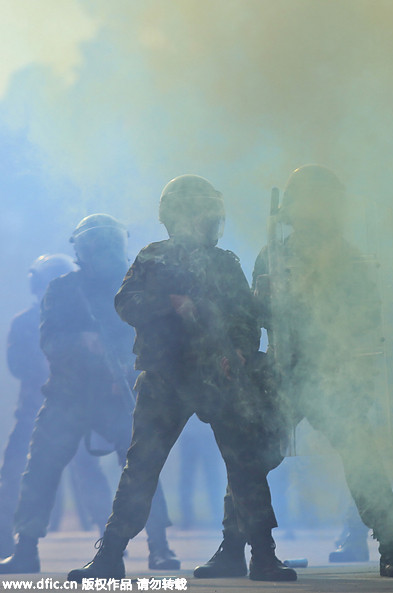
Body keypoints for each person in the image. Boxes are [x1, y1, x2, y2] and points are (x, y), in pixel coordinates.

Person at [67, 175, 294, 582]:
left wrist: (239, 351)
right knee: (141, 467)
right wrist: (169, 303)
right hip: (166, 377)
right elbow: (125, 304)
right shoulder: (153, 258)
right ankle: (110, 554)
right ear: (180, 215)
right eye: (202, 211)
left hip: (220, 376)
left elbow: (246, 314)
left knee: (246, 466)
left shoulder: (225, 262)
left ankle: (263, 554)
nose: (210, 220)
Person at [251, 164, 393, 578]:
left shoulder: (349, 259)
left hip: (332, 372)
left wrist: (357, 377)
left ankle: (390, 542)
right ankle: (239, 543)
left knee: (361, 456)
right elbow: (255, 316)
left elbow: (367, 322)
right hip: (286, 370)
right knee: (249, 457)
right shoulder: (273, 255)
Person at [0, 217, 178, 575]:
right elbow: (49, 341)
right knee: (40, 470)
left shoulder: (134, 287)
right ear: (82, 250)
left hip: (117, 397)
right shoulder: (64, 289)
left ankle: (159, 546)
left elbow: (155, 339)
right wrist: (83, 344)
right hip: (69, 396)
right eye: (97, 245)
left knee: (142, 470)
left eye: (109, 244)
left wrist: (127, 372)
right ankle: (27, 546)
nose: (104, 253)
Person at [0, 254, 113, 556]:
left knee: (83, 473)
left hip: (69, 408)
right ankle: (7, 542)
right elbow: (17, 366)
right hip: (38, 411)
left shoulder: (78, 320)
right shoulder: (27, 321)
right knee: (16, 474)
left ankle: (108, 536)